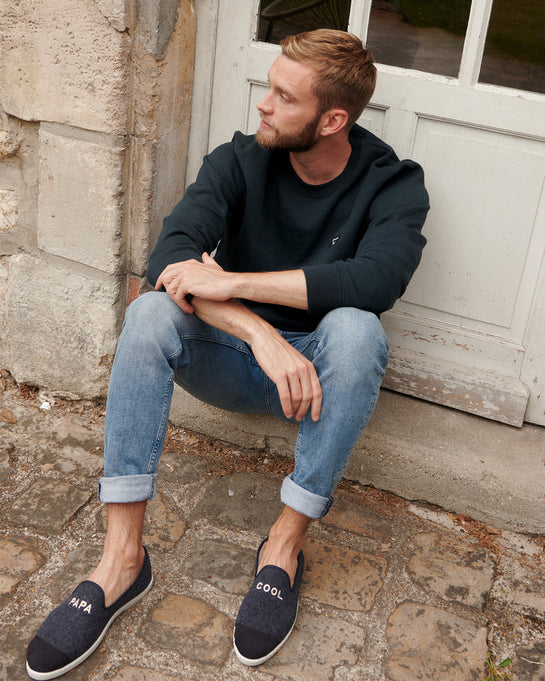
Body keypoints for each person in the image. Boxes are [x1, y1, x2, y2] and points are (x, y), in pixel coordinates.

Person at [26, 28, 429, 679]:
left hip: (313, 378)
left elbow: (376, 281)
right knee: (150, 311)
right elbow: (168, 259)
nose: (263, 104)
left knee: (359, 333)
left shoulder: (393, 184)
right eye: (268, 87)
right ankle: (121, 560)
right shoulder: (241, 159)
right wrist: (260, 335)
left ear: (332, 120)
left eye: (284, 96)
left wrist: (231, 281)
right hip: (231, 356)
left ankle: (283, 548)